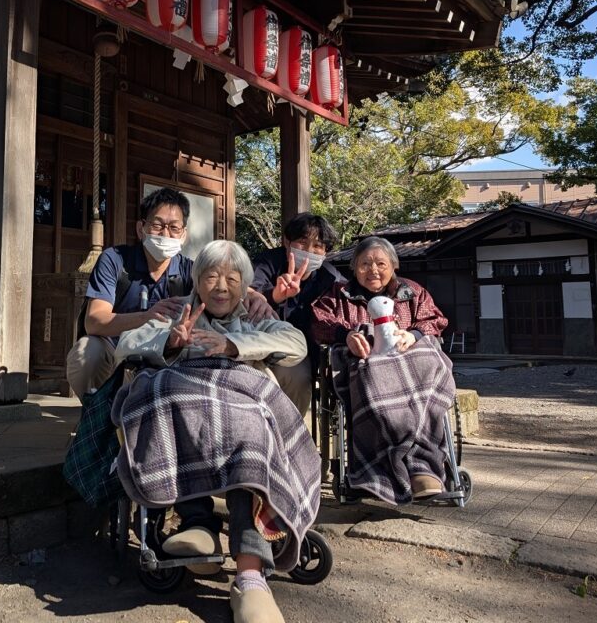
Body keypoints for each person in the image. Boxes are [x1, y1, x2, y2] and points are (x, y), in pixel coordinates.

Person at [114, 240, 317, 623]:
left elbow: (296, 343)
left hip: (241, 397)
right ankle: (197, 524)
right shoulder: (178, 310)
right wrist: (170, 340)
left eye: (232, 278)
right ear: (196, 280)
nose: (221, 286)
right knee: (167, 406)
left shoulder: (255, 313)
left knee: (251, 432)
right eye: (211, 277)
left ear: (245, 285)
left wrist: (234, 343)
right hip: (186, 395)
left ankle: (250, 573)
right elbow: (126, 344)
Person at [65, 187, 273, 399]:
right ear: (141, 228)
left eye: (174, 228)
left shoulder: (187, 269)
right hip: (113, 348)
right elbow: (94, 321)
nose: (165, 234)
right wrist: (146, 317)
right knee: (87, 353)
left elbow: (219, 279)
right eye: (157, 225)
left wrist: (256, 296)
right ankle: (95, 416)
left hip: (163, 352)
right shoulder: (115, 260)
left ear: (183, 235)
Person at [311, 236, 450, 501]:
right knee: (371, 382)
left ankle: (422, 468)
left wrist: (416, 335)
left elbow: (436, 319)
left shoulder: (413, 292)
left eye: (380, 263)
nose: (373, 270)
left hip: (411, 366)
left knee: (427, 363)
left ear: (394, 265)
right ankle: (381, 472)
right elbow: (319, 322)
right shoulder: (339, 295)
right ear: (354, 267)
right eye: (365, 264)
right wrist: (346, 336)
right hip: (368, 368)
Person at [251, 212, 343, 415]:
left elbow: (350, 298)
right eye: (302, 242)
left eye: (318, 246)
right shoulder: (266, 263)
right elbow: (248, 292)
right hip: (260, 342)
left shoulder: (330, 277)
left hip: (302, 353)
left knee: (296, 376)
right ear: (286, 241)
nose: (309, 251)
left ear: (325, 252)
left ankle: (291, 434)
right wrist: (274, 295)